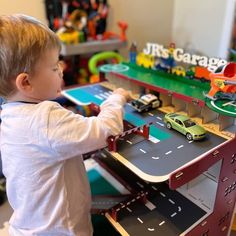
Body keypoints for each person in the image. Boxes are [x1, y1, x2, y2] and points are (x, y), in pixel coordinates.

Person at [0, 14, 130, 235]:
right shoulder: (46, 116)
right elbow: (107, 129)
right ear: (26, 82)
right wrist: (116, 98)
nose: (61, 69)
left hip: (28, 224)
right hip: (62, 229)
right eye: (53, 67)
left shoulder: (9, 114)